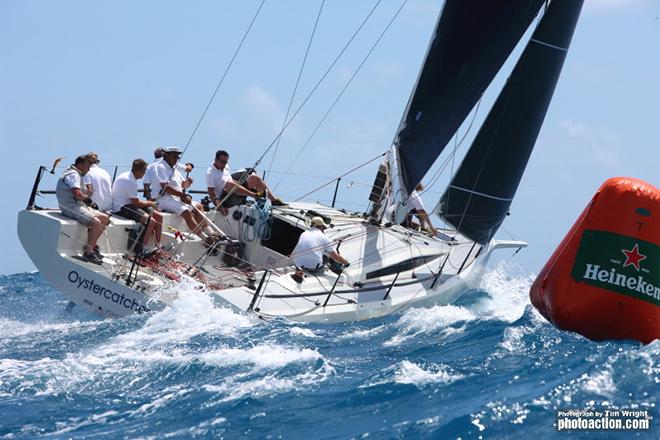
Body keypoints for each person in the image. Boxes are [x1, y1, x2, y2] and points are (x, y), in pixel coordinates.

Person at [55, 155, 110, 264]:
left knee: (105, 218)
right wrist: (89, 201)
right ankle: (88, 253)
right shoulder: (73, 175)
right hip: (71, 207)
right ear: (80, 165)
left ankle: (92, 246)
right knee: (95, 222)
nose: (89, 169)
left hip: (80, 205)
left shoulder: (78, 174)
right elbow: (76, 192)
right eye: (87, 166)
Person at [154, 146, 215, 242]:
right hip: (164, 199)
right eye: (175, 157)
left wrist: (188, 182)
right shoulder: (160, 167)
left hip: (177, 198)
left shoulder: (174, 168)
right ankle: (204, 238)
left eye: (178, 157)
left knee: (198, 206)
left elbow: (182, 185)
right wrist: (182, 196)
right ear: (166, 155)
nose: (177, 159)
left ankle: (211, 233)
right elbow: (165, 187)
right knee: (186, 212)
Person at [206, 149, 285, 213]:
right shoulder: (210, 173)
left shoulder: (226, 167)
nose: (224, 164)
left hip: (236, 191)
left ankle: (272, 201)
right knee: (229, 184)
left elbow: (231, 179)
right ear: (216, 160)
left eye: (226, 162)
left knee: (254, 177)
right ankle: (255, 195)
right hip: (225, 200)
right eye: (222, 162)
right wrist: (219, 208)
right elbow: (211, 192)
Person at [112, 159, 163, 252]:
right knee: (150, 221)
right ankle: (143, 248)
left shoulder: (127, 176)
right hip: (121, 208)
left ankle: (158, 246)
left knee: (158, 217)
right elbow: (136, 203)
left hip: (128, 204)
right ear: (139, 171)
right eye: (144, 171)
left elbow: (135, 201)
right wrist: (152, 203)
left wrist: (149, 204)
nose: (144, 174)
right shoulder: (130, 181)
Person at [290, 217, 348, 281]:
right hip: (311, 268)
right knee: (329, 256)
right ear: (321, 227)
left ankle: (300, 270)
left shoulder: (304, 233)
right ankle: (338, 270)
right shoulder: (324, 237)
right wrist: (345, 262)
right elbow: (335, 256)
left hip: (297, 264)